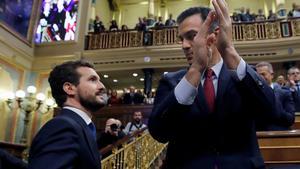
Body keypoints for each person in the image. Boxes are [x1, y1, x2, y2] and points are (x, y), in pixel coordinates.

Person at [148, 1, 278, 169]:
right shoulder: (172, 81)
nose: (184, 45)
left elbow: (271, 112)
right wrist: (195, 70)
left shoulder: (243, 76)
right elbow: (159, 132)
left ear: (215, 35)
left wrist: (229, 51)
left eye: (192, 36)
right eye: (181, 39)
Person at [28, 60, 107, 169]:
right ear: (69, 88)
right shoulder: (62, 126)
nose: (102, 86)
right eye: (92, 80)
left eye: (100, 80)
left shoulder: (81, 126)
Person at [255, 62, 295, 130]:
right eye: (258, 75)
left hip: (280, 134)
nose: (260, 77)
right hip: (258, 135)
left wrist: (275, 105)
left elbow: (290, 120)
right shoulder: (252, 93)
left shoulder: (285, 93)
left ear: (272, 75)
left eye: (263, 74)